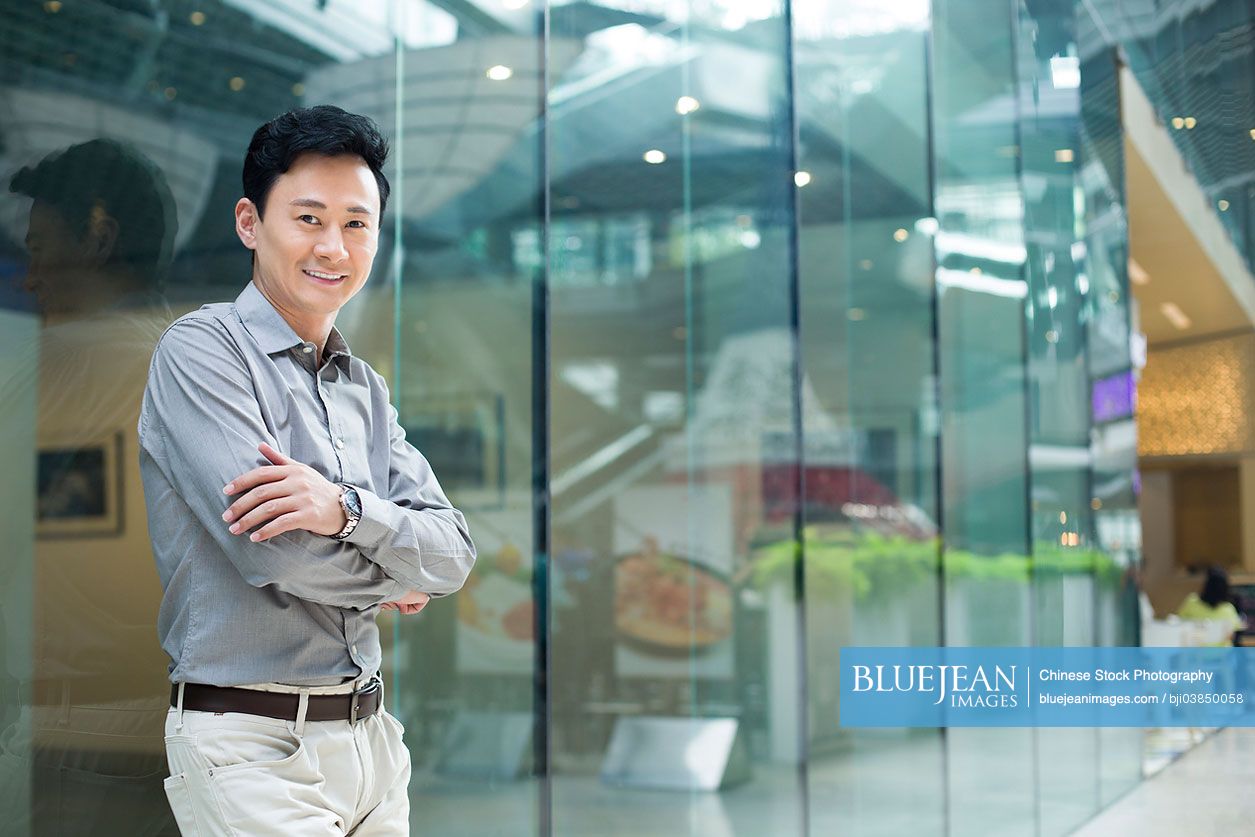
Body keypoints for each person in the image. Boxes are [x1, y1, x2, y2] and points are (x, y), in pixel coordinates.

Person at [138, 106, 476, 835]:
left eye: (357, 223)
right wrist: (399, 572)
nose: (334, 246)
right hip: (251, 745)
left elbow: (454, 552)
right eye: (309, 218)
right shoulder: (201, 352)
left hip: (373, 741)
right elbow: (276, 549)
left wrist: (345, 509)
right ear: (249, 223)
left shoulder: (365, 389)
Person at [1176, 566, 1245, 646]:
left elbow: (1179, 624)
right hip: (1222, 656)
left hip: (1196, 655)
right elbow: (1232, 635)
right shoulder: (1228, 610)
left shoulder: (1191, 603)